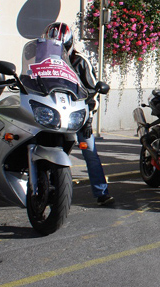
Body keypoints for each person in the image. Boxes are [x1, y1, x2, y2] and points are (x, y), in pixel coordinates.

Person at [42, 22, 115, 206]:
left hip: (78, 113)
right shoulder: (42, 61)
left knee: (89, 151)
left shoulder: (80, 61)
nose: (58, 50)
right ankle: (49, 189)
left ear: (69, 44)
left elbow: (93, 90)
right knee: (48, 149)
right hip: (54, 112)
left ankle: (101, 192)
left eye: (62, 46)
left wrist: (89, 118)